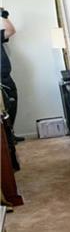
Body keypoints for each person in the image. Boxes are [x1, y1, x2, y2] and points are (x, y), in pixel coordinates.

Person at [1, 8, 21, 143]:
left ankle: (10, 135)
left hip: (6, 77)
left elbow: (10, 31)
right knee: (4, 109)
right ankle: (6, 139)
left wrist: (3, 16)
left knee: (12, 104)